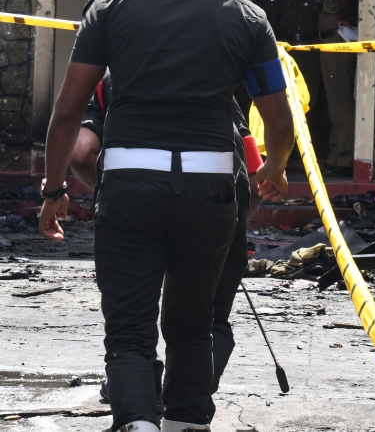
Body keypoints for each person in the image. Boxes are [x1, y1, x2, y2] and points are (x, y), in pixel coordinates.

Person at [37, 0, 295, 432]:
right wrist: (273, 167)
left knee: (129, 331)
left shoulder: (111, 6)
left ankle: (138, 422)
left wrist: (54, 191)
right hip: (210, 192)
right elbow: (278, 118)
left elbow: (66, 113)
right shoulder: (248, 17)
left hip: (130, 185)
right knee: (192, 326)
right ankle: (186, 423)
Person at [68, 73, 266, 421]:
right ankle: (187, 412)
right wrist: (234, 222)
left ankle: (138, 401)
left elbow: (82, 153)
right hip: (214, 200)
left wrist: (105, 191)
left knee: (131, 328)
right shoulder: (214, 71)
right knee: (204, 322)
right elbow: (253, 170)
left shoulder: (110, 78)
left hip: (133, 200)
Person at [272, 0, 327, 148]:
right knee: (283, 95)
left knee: (309, 96)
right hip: (287, 48)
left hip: (311, 49)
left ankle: (305, 145)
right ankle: (286, 144)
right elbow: (272, 17)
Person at [317, 0, 359, 178]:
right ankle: (336, 155)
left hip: (337, 40)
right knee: (334, 103)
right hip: (330, 41)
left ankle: (344, 157)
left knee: (340, 102)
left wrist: (342, 16)